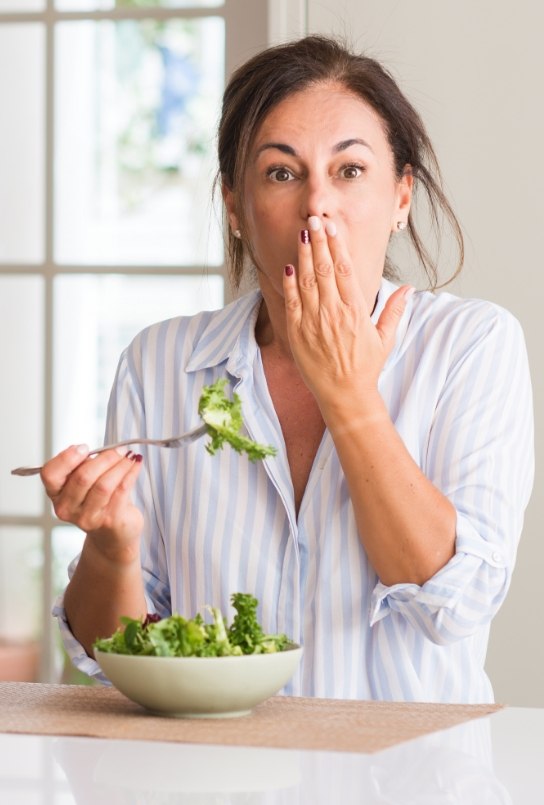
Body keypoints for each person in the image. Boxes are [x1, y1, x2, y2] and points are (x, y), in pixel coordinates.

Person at [46, 35, 533, 703]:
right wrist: (110, 549)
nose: (316, 206)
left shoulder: (472, 346)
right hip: (218, 778)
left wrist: (351, 397)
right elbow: (115, 652)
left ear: (401, 198)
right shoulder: (159, 363)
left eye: (350, 171)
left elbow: (453, 606)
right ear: (234, 206)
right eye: (281, 172)